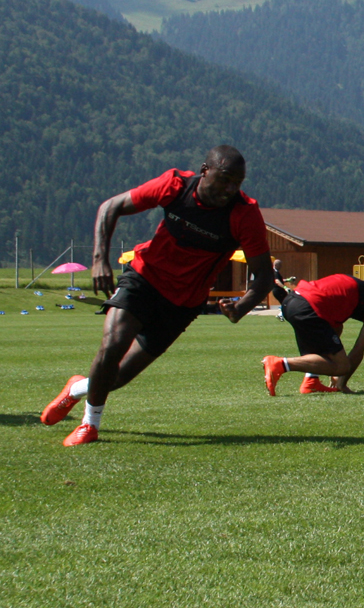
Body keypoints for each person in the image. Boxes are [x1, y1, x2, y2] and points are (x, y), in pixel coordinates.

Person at [41, 146, 274, 446]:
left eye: (237, 183)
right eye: (225, 179)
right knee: (113, 344)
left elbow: (264, 275)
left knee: (118, 377)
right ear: (205, 170)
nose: (230, 189)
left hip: (183, 303)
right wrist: (100, 259)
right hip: (144, 278)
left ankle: (75, 390)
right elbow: (110, 207)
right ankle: (90, 425)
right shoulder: (175, 185)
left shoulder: (244, 213)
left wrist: (241, 307)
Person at [262, 275, 364, 394]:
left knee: (337, 328)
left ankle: (311, 381)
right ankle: (280, 364)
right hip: (308, 307)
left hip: (291, 302)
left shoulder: (361, 289)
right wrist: (342, 383)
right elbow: (358, 350)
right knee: (342, 366)